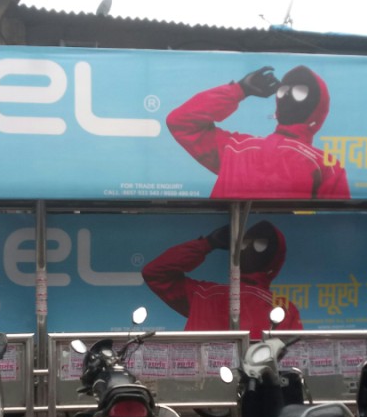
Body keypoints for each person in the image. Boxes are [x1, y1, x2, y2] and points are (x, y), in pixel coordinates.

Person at [166, 64, 350, 200]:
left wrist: (240, 90)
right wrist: (239, 90)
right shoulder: (325, 165)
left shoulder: (236, 148)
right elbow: (336, 227)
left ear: (318, 105)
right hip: (232, 246)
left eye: (300, 92)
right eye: (284, 90)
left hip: (230, 246)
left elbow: (181, 122)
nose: (286, 95)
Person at [141, 220, 302, 341]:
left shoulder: (203, 295)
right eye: (246, 243)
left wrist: (207, 244)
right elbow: (293, 357)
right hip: (252, 383)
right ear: (276, 261)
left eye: (260, 245)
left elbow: (155, 273)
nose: (250, 249)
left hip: (200, 382)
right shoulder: (284, 309)